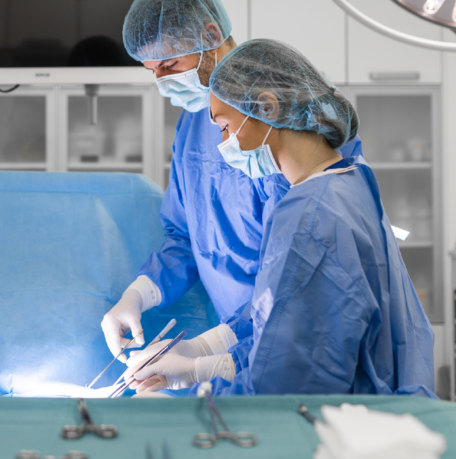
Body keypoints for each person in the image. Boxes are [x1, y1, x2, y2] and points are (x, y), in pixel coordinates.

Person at [125, 39, 436, 397]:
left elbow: (282, 387)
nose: (221, 144)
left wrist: (183, 410)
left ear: (267, 108)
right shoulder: (346, 181)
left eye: (224, 127)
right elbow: (291, 334)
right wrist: (203, 357)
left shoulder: (310, 220)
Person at [101, 0, 367, 366]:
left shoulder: (284, 110)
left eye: (170, 65)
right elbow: (185, 235)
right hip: (247, 341)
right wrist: (139, 294)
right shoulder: (193, 123)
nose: (163, 84)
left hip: (300, 336)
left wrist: (207, 350)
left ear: (211, 35)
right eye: (152, 72)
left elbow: (302, 272)